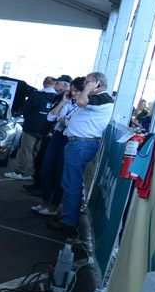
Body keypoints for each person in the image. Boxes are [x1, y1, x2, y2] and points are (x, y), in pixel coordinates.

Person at [47, 72, 114, 234]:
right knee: (70, 182)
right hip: (78, 143)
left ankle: (69, 221)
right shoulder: (96, 99)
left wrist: (89, 88)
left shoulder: (103, 98)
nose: (84, 85)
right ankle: (68, 216)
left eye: (88, 82)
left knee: (72, 183)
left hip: (82, 144)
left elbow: (82, 101)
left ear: (98, 83)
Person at [34, 78, 80, 217]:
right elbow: (50, 117)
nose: (73, 93)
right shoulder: (67, 102)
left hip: (68, 138)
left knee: (59, 174)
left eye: (76, 91)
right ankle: (46, 201)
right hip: (56, 136)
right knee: (44, 171)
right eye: (72, 90)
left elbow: (70, 123)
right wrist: (63, 102)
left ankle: (53, 205)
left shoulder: (83, 107)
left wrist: (61, 119)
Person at [6, 76, 56, 180]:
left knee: (25, 150)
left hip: (32, 126)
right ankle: (35, 173)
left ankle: (19, 172)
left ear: (43, 83)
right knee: (38, 152)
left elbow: (26, 109)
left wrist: (28, 119)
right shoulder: (57, 98)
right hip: (46, 128)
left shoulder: (36, 95)